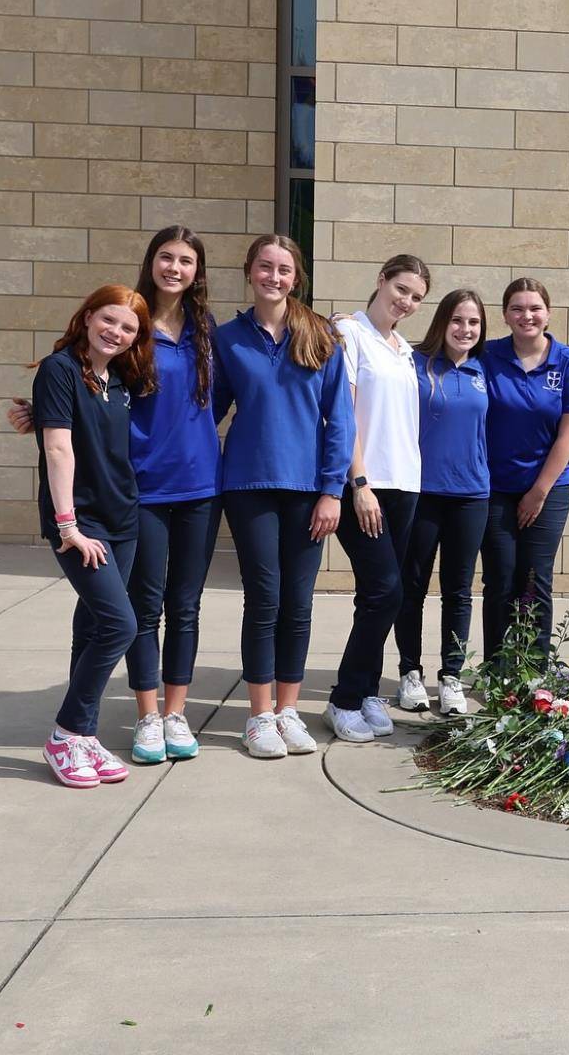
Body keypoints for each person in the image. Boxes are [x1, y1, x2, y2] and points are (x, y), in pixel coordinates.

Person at [9, 225, 223, 765]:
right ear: (151, 261)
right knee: (134, 613)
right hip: (138, 490)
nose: (175, 267)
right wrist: (45, 416)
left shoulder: (205, 330)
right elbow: (78, 397)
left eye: (186, 260)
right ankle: (137, 719)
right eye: (166, 257)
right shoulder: (131, 327)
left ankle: (158, 717)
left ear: (198, 272)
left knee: (181, 606)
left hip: (192, 484)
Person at [213, 235, 354, 759]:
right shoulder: (227, 339)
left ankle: (289, 710)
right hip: (248, 486)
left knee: (298, 603)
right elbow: (203, 411)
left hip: (308, 490)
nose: (275, 276)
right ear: (249, 271)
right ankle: (259, 716)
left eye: (285, 269)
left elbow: (340, 419)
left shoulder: (320, 335)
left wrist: (332, 491)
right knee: (264, 599)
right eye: (265, 267)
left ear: (297, 277)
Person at [31, 286, 157, 788]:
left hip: (123, 519)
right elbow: (59, 449)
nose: (117, 332)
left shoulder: (119, 378)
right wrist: (68, 527)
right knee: (118, 625)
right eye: (109, 320)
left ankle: (83, 735)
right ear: (86, 317)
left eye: (129, 328)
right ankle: (65, 735)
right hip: (82, 524)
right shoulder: (59, 369)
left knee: (91, 627)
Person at [327, 255, 429, 741]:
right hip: (365, 485)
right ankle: (344, 699)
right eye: (402, 289)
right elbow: (342, 411)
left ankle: (366, 690)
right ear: (381, 280)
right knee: (386, 590)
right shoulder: (350, 334)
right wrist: (358, 482)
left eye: (416, 297)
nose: (406, 302)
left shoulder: (403, 348)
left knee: (379, 595)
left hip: (406, 484)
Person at [481, 278, 569, 659]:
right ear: (505, 314)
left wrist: (537, 492)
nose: (527, 316)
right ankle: (497, 667)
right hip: (494, 487)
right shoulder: (487, 355)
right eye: (517, 309)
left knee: (534, 577)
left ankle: (533, 669)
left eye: (534, 308)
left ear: (548, 312)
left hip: (550, 488)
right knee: (499, 578)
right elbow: (433, 353)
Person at [394, 289, 489, 716]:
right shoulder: (414, 364)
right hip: (422, 493)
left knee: (458, 592)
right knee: (411, 588)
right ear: (441, 322)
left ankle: (452, 677)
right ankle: (409, 672)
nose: (465, 329)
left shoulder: (486, 369)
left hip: (471, 495)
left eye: (473, 322)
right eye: (457, 320)